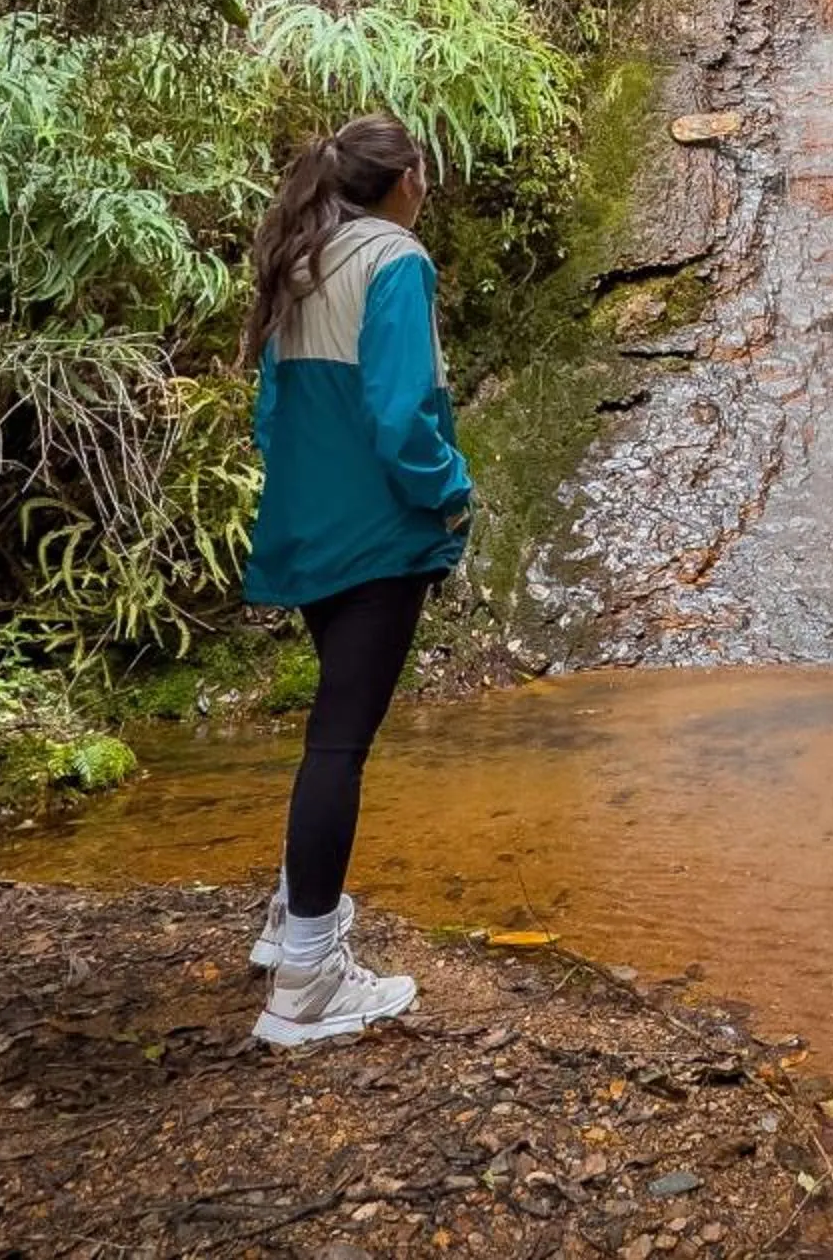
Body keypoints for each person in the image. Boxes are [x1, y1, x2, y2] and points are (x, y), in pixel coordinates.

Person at [237, 113, 474, 1046]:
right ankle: (305, 984)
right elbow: (402, 411)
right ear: (406, 176)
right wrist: (451, 494)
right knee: (339, 744)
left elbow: (270, 414)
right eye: (423, 168)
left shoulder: (304, 256)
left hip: (310, 525)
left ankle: (289, 923)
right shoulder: (396, 260)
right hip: (377, 529)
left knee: (332, 724)